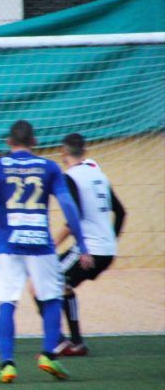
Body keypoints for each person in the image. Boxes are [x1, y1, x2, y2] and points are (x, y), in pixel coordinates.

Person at [0, 120, 93, 383]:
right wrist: (83, 245)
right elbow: (68, 206)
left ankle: (7, 364)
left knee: (7, 302)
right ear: (35, 142)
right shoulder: (50, 167)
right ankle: (49, 355)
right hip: (41, 244)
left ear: (8, 142)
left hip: (8, 244)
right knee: (51, 299)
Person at [52, 133, 126, 356]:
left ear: (63, 152)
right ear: (85, 152)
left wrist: (52, 244)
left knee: (45, 280)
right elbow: (121, 212)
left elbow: (74, 218)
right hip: (107, 250)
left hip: (89, 250)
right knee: (61, 284)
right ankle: (73, 342)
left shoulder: (70, 177)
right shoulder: (99, 175)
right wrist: (110, 241)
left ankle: (65, 341)